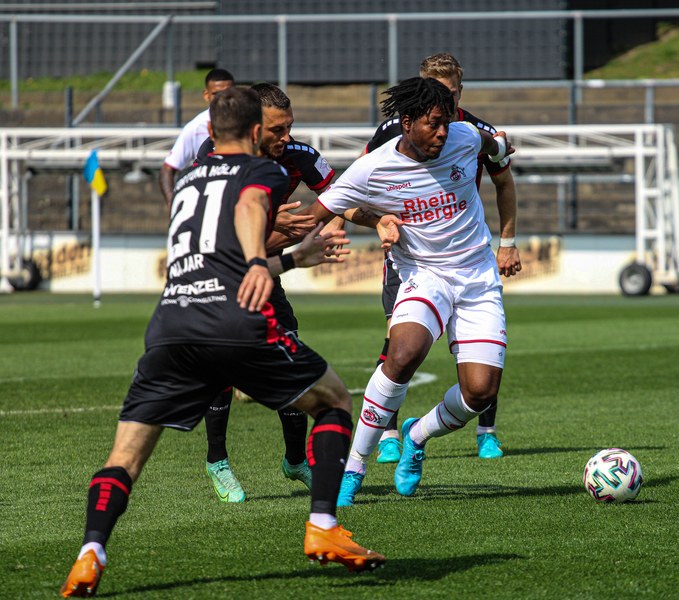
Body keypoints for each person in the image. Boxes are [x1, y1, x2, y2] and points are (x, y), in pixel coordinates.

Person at [60, 87, 383, 598]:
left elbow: (211, 256)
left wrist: (292, 258)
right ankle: (323, 524)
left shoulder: (187, 179)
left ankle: (90, 553)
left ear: (210, 132)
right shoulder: (264, 171)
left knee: (124, 457)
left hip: (171, 326)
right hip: (233, 321)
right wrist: (260, 260)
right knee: (335, 401)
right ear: (255, 131)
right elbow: (251, 206)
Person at [299, 77, 521, 507]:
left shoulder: (464, 136)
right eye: (433, 124)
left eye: (446, 122)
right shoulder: (373, 167)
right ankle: (354, 467)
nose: (442, 132)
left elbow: (495, 151)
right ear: (407, 123)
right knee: (402, 355)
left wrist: (499, 147)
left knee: (480, 393)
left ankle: (417, 434)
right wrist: (262, 248)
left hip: (477, 275)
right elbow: (322, 211)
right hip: (424, 273)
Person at [363, 53, 517, 464]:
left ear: (460, 91)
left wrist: (507, 241)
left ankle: (486, 431)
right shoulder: (392, 130)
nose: (447, 101)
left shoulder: (473, 131)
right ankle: (389, 434)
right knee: (399, 345)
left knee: (481, 353)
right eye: (438, 92)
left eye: (452, 92)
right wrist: (379, 221)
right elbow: (362, 181)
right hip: (412, 257)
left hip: (463, 253)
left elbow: (504, 180)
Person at [196, 82, 337, 503]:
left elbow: (341, 196)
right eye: (278, 129)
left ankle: (295, 460)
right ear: (254, 126)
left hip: (263, 270)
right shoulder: (217, 154)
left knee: (289, 357)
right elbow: (210, 221)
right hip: (217, 273)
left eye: (290, 126)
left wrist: (360, 219)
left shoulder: (298, 156)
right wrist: (275, 226)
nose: (286, 137)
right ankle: (217, 460)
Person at [158, 68, 235, 209]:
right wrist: (173, 206)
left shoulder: (246, 121)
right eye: (217, 94)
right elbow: (167, 169)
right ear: (206, 95)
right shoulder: (196, 127)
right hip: (206, 204)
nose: (223, 99)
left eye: (228, 93)